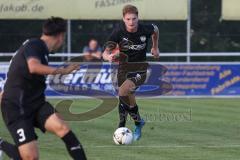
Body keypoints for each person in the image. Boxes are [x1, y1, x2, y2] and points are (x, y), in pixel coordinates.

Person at [0, 17, 87, 160]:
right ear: (60, 36)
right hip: (17, 107)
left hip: (36, 103)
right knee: (30, 157)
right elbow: (33, 67)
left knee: (63, 128)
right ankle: (1, 144)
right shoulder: (36, 45)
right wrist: (63, 71)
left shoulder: (39, 49)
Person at [103, 4, 159, 141]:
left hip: (140, 69)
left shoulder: (145, 28)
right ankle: (138, 122)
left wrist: (155, 47)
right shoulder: (118, 32)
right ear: (123, 19)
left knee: (122, 92)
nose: (131, 22)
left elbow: (156, 30)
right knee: (127, 98)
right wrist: (109, 57)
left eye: (134, 18)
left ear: (138, 17)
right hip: (123, 69)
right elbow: (105, 52)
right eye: (128, 19)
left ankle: (120, 126)